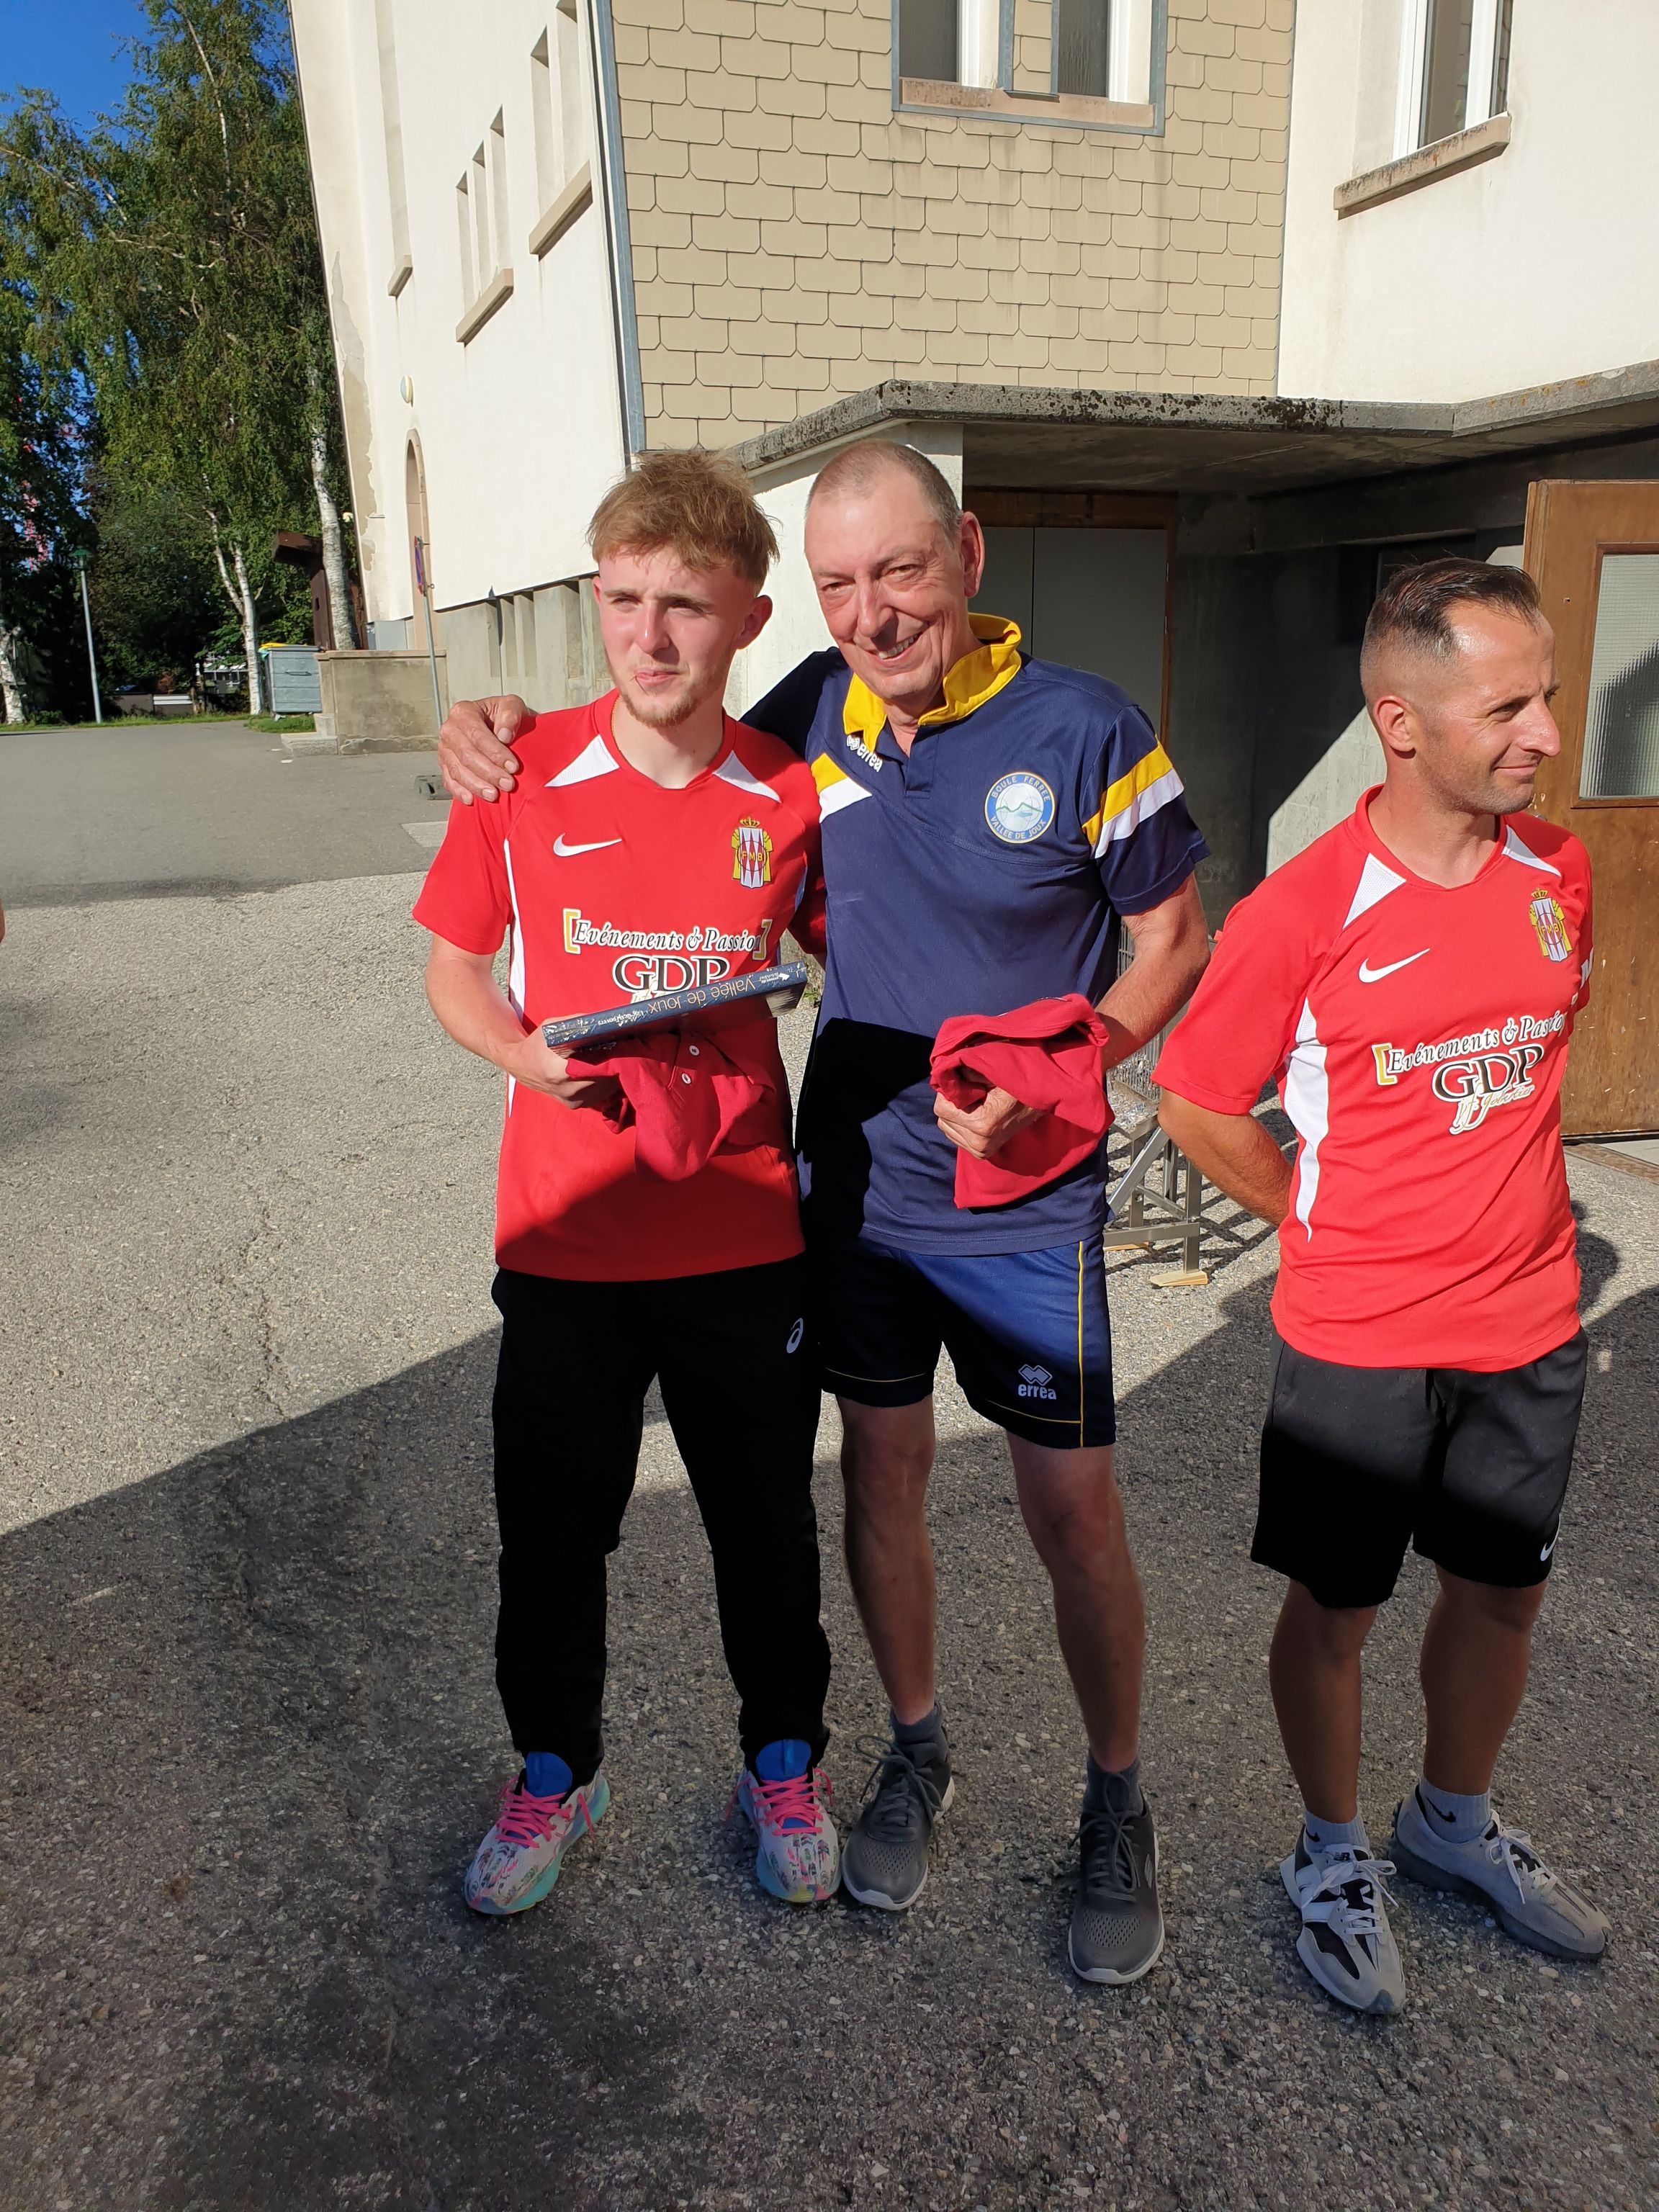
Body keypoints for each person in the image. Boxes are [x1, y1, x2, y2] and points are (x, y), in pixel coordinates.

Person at [438, 440, 1211, 1986]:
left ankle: (1115, 1800)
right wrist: (481, 722)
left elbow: (1176, 933)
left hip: (1016, 1196)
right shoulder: (806, 719)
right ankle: (902, 1755)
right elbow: (645, 725)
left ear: (968, 556)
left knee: (1069, 1512)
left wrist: (1077, 1063)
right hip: (852, 1187)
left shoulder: (1079, 726)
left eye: (901, 571)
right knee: (874, 1483)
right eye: (842, 584)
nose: (874, 613)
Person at [1156, 557, 1609, 2015]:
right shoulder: (1303, 910)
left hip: (1531, 1324)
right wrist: (1318, 1219)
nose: (1547, 734)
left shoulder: (1560, 873)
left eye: (1549, 698)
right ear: (1401, 723)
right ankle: (1332, 1849)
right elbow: (1195, 1101)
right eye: (1510, 708)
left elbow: (1534, 1056)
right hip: (1359, 1338)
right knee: (1337, 1609)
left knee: (1502, 1598)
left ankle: (1450, 1824)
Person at [414, 450, 838, 1917]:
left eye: (686, 607)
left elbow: (868, 953)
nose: (649, 638)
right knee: (552, 1538)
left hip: (742, 1236)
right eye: (623, 600)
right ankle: (555, 1773)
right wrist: (524, 1059)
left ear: (750, 621)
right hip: (567, 1238)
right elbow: (455, 972)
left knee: (765, 1530)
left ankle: (781, 1765)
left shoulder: (793, 792)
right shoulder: (517, 770)